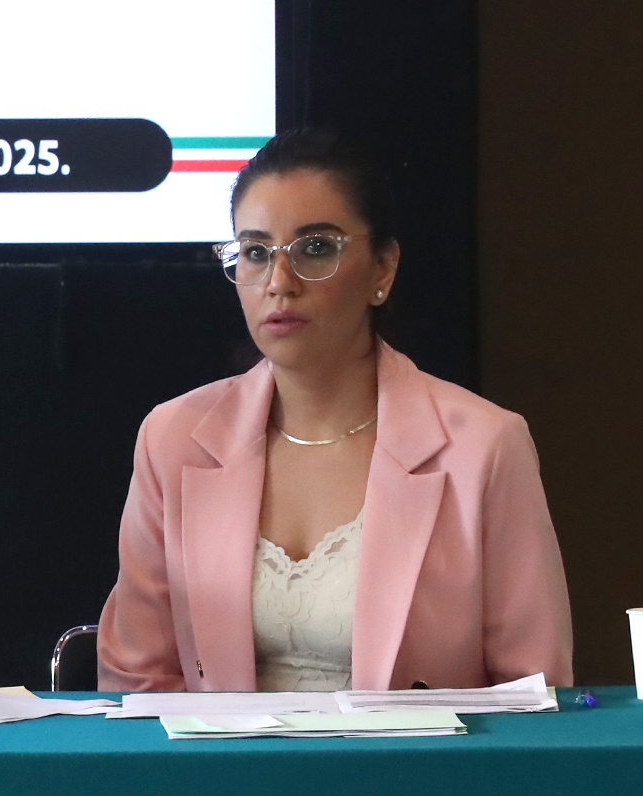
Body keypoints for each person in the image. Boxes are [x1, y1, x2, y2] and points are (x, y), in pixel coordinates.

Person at [97, 128, 572, 692]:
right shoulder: (172, 438)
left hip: (425, 753)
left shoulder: (485, 446)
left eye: (315, 248)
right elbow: (135, 679)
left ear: (383, 269)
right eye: (255, 253)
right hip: (222, 754)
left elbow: (533, 691)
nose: (280, 283)